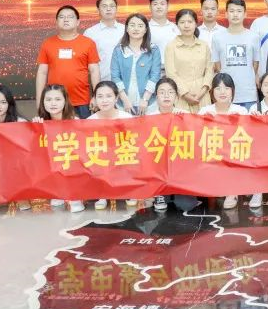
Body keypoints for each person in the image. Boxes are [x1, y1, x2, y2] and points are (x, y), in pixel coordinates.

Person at [198, 73, 255, 209]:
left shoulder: (240, 111)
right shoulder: (205, 111)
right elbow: (196, 136)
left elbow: (250, 137)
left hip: (234, 156)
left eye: (226, 88)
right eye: (218, 88)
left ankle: (232, 192)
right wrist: (205, 122)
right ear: (212, 92)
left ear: (232, 91)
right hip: (213, 155)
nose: (222, 92)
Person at [35, 5, 100, 119]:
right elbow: (42, 73)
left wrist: (96, 96)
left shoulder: (88, 43)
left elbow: (94, 71)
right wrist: (39, 99)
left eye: (70, 17)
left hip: (81, 100)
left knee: (81, 130)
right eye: (62, 17)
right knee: (54, 130)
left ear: (78, 22)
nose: (66, 19)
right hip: (54, 101)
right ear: (56, 22)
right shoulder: (47, 43)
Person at [33, 84, 84, 212]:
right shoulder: (41, 122)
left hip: (72, 164)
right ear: (43, 102)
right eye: (48, 99)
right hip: (53, 167)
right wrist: (35, 129)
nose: (53, 103)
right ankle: (58, 192)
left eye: (57, 99)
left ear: (65, 101)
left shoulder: (75, 121)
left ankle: (75, 196)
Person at [87, 81, 135, 210]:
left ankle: (129, 189)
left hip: (122, 159)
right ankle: (102, 193)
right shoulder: (89, 121)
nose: (104, 100)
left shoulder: (127, 118)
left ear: (116, 98)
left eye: (109, 96)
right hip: (101, 161)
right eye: (100, 96)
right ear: (95, 99)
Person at [145, 77, 186, 212]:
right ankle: (159, 193)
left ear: (176, 96)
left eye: (170, 92)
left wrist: (183, 121)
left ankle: (176, 191)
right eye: (162, 92)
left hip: (179, 164)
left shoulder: (184, 115)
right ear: (156, 97)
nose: (166, 96)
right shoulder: (150, 117)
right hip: (158, 165)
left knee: (186, 205)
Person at [213, 0, 260, 109]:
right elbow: (217, 66)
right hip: (225, 94)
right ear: (226, 14)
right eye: (232, 11)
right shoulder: (217, 37)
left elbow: (255, 64)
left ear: (245, 14)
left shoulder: (253, 37)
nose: (235, 14)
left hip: (248, 94)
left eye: (239, 11)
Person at [110, 13, 160, 116]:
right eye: (132, 25)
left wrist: (145, 99)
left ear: (145, 30)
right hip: (124, 103)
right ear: (127, 29)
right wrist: (125, 100)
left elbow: (155, 75)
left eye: (140, 26)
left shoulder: (153, 49)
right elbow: (115, 76)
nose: (136, 29)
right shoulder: (119, 50)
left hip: (148, 103)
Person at [164, 9, 213, 113]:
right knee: (182, 122)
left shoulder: (204, 45)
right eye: (182, 22)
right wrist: (185, 95)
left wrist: (202, 92)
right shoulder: (171, 46)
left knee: (204, 122)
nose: (186, 25)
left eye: (190, 22)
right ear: (177, 25)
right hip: (181, 96)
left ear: (196, 24)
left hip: (202, 95)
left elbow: (209, 70)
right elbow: (171, 73)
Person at [83, 0, 124, 82]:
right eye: (104, 6)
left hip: (125, 82)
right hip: (101, 82)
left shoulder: (126, 30)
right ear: (98, 10)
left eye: (112, 6)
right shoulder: (90, 33)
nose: (108, 9)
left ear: (116, 9)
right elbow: (85, 61)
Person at [147, 0, 180, 72]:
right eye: (155, 4)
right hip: (152, 71)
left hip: (174, 70)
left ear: (168, 6)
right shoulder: (145, 28)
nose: (159, 7)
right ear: (150, 7)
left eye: (162, 4)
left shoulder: (176, 28)